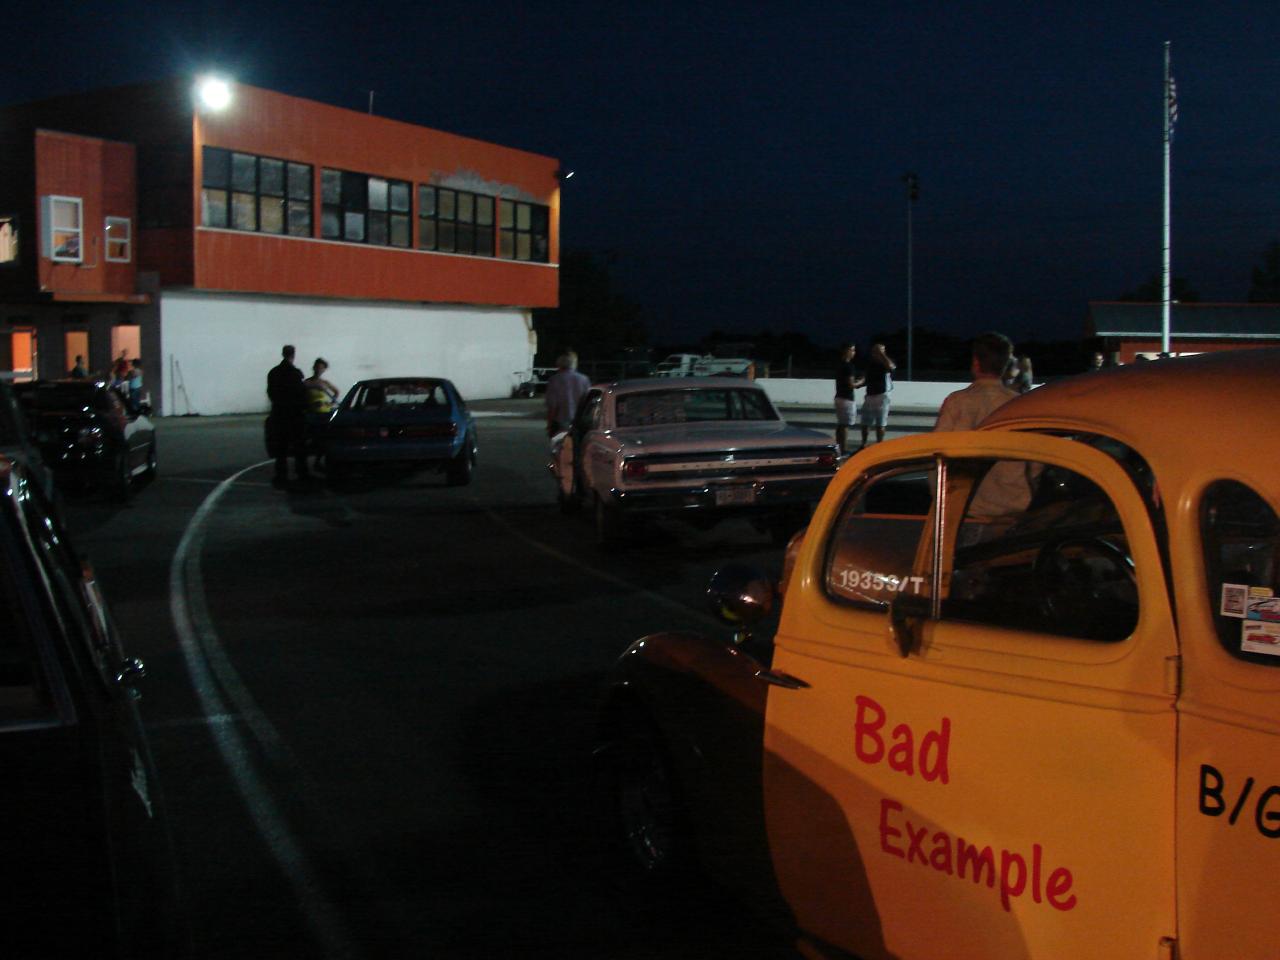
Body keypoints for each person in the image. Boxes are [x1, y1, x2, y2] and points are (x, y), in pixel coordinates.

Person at [936, 332, 1032, 543]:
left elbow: (938, 454)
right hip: (1012, 513)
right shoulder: (1020, 405)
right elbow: (1035, 465)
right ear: (1006, 365)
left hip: (969, 510)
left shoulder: (958, 402)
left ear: (975, 362)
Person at [935, 332, 1019, 431]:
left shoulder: (957, 400)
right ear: (1005, 365)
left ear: (975, 362)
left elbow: (940, 436)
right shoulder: (1016, 402)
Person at [266, 344, 310, 488]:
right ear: (293, 355)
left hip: (279, 414)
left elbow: (271, 393)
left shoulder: (274, 372)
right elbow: (302, 393)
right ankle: (302, 473)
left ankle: (281, 474)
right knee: (299, 446)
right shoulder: (295, 373)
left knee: (281, 447)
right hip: (295, 415)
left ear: (283, 354)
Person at [303, 357, 340, 471]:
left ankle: (319, 461)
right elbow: (301, 394)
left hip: (325, 413)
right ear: (314, 367)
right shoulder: (307, 382)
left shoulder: (325, 383)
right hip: (312, 414)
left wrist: (330, 403)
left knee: (324, 439)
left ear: (324, 370)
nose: (319, 370)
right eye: (317, 367)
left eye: (321, 368)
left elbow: (336, 391)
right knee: (313, 439)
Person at [544, 351, 590, 438]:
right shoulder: (584, 379)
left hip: (561, 422)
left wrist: (549, 424)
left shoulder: (555, 380)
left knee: (560, 444)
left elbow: (552, 406)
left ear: (559, 364)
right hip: (580, 422)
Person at [858, 342, 896, 447]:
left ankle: (879, 445)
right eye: (876, 351)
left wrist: (882, 355)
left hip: (882, 395)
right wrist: (858, 383)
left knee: (880, 423)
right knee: (865, 422)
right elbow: (866, 378)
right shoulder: (870, 364)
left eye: (881, 350)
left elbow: (891, 367)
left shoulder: (885, 363)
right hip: (870, 395)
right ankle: (863, 444)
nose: (878, 353)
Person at [832, 343, 865, 457]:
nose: (854, 353)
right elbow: (851, 384)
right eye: (852, 350)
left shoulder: (839, 365)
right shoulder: (849, 366)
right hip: (847, 398)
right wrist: (861, 381)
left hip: (839, 397)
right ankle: (844, 449)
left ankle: (838, 447)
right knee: (845, 425)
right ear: (846, 351)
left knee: (841, 425)